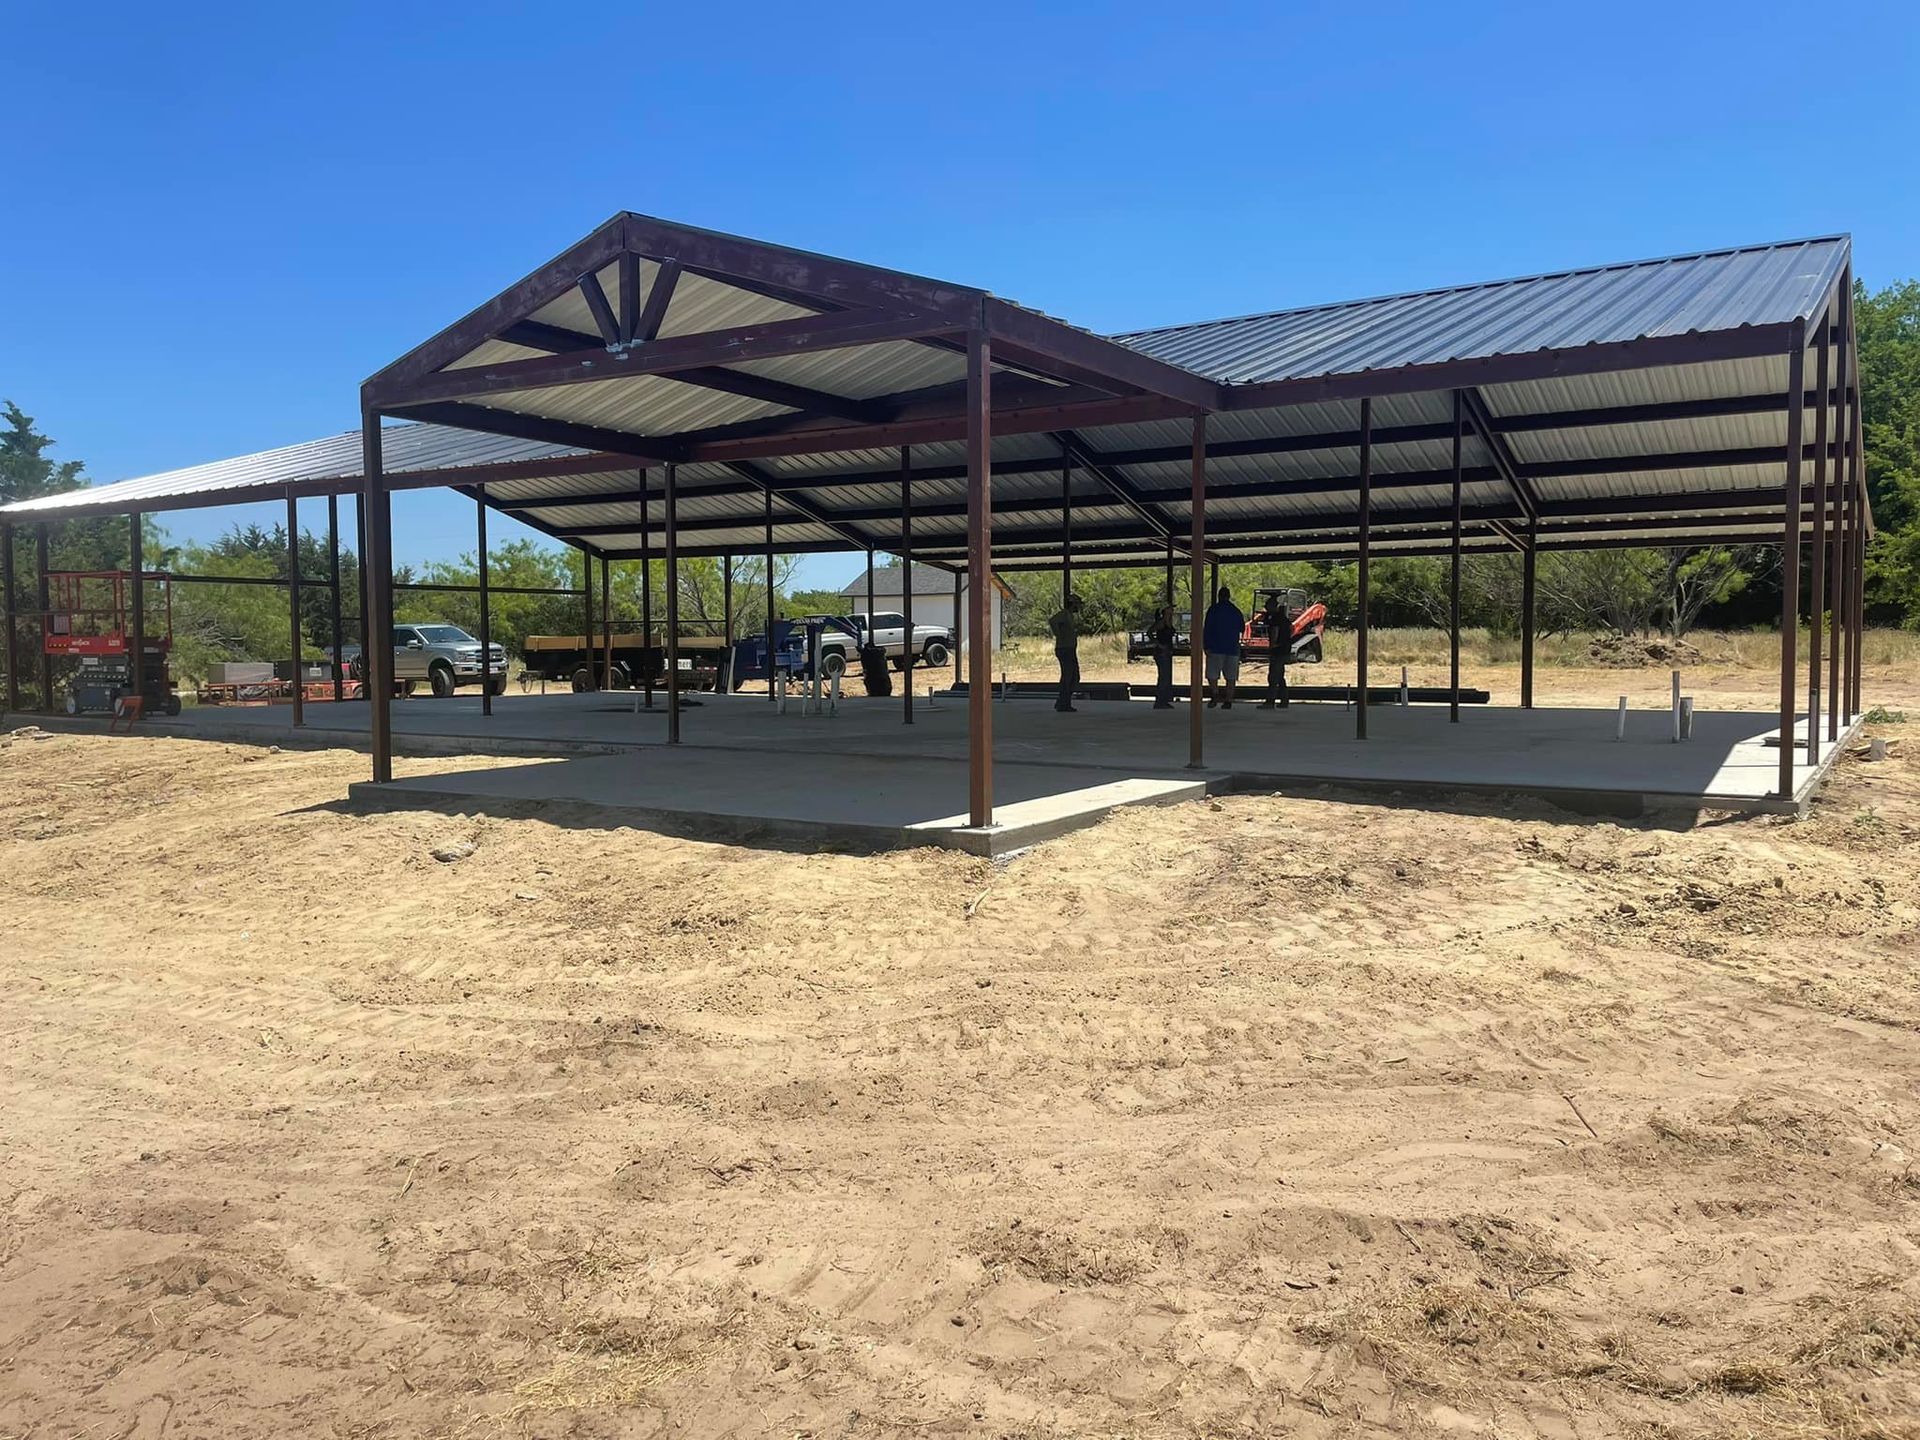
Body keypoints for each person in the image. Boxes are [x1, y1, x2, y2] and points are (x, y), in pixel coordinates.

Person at [1202, 585, 1245, 709]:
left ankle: (1215, 695)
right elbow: (1242, 628)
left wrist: (1206, 645)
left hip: (1215, 648)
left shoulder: (1213, 610)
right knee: (1231, 677)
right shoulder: (1235, 611)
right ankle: (1228, 700)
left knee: (1213, 675)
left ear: (1219, 596)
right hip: (1232, 649)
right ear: (1229, 596)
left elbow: (1207, 629)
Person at [1049, 592, 1083, 712]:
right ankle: (1064, 703)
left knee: (1074, 676)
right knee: (1068, 676)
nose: (1078, 607)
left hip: (1069, 649)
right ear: (1073, 604)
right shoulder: (1064, 614)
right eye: (1077, 604)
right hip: (1065, 649)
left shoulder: (1069, 615)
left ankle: (1062, 701)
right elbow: (1052, 621)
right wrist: (1058, 634)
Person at [1260, 591, 1291, 710]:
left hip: (1278, 650)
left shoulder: (1275, 619)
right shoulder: (1283, 618)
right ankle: (1284, 699)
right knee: (1280, 675)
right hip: (1284, 649)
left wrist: (1272, 645)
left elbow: (1274, 632)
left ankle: (1270, 701)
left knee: (1273, 676)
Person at [1150, 604, 1177, 709]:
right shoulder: (1161, 622)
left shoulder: (1168, 622)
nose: (1172, 610)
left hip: (1167, 652)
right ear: (1165, 610)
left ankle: (1164, 700)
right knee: (1163, 677)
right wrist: (1158, 644)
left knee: (1166, 677)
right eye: (1170, 608)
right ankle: (1159, 701)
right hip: (1161, 653)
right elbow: (1150, 632)